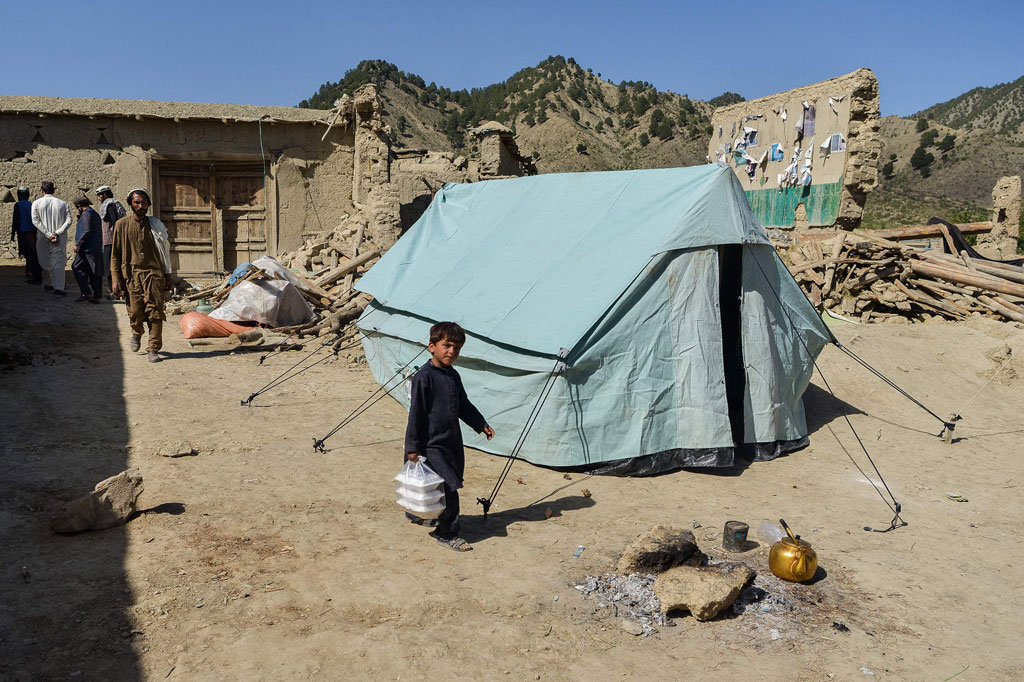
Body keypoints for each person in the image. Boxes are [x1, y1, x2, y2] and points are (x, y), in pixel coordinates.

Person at [404, 321, 495, 552]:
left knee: (442, 487)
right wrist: (412, 448)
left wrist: (480, 423)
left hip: (451, 441)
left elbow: (463, 405)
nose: (452, 352)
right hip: (430, 444)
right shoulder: (424, 377)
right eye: (447, 346)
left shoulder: (453, 376)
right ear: (431, 346)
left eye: (457, 348)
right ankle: (448, 533)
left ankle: (437, 522)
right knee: (448, 488)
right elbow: (416, 414)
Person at [110, 188, 173, 363]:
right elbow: (115, 255)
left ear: (148, 205)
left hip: (153, 274)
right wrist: (115, 279)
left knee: (155, 312)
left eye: (144, 203)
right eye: (137, 202)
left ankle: (153, 348)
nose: (141, 206)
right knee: (135, 311)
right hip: (131, 275)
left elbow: (164, 252)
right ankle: (136, 332)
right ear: (131, 203)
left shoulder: (155, 225)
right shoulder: (121, 225)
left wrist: (168, 276)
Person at [31, 181, 71, 296]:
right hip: (59, 238)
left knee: (46, 261)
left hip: (43, 237)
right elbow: (68, 221)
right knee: (58, 261)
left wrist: (48, 234)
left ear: (42, 191)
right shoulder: (63, 204)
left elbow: (35, 221)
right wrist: (57, 233)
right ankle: (58, 286)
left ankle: (52, 283)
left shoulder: (36, 203)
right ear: (53, 190)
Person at [70, 197, 104, 303]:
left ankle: (87, 293)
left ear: (79, 206)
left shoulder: (86, 214)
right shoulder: (92, 213)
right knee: (93, 271)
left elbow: (86, 231)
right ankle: (95, 295)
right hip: (92, 248)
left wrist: (78, 244)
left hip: (87, 248)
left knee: (77, 267)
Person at [95, 185, 126, 298]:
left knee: (110, 267)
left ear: (105, 194)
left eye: (99, 195)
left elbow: (115, 223)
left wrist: (116, 239)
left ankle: (115, 292)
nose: (98, 198)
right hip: (111, 240)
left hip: (111, 241)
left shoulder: (110, 205)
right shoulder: (112, 204)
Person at [10, 187, 42, 284]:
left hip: (23, 232)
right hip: (32, 232)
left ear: (20, 195)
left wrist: (12, 233)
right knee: (31, 252)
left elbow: (15, 219)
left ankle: (33, 273)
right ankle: (30, 271)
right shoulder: (31, 205)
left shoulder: (18, 205)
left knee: (29, 254)